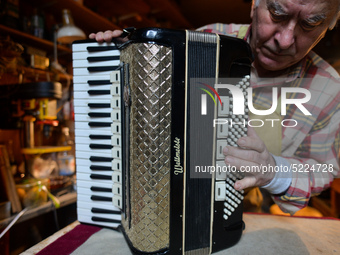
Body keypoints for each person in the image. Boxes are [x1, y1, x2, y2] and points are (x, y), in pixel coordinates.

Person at [89, 0, 340, 215]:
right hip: (161, 200)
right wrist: (127, 68)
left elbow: (322, 169)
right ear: (255, 4)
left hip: (248, 214)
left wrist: (274, 172)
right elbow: (149, 122)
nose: (284, 41)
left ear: (328, 27)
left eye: (310, 24)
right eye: (277, 14)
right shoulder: (204, 39)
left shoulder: (330, 90)